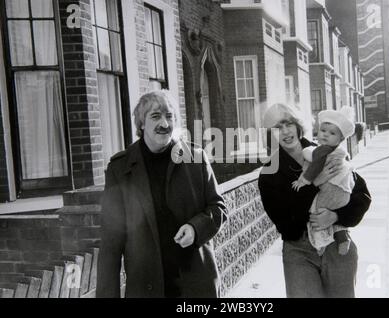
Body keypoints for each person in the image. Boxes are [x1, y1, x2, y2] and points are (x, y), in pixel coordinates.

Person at [97, 90, 227, 298]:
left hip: (195, 286)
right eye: (155, 116)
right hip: (146, 288)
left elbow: (218, 208)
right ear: (141, 123)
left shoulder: (195, 158)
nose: (164, 124)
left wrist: (195, 228)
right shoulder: (120, 169)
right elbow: (111, 244)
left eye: (169, 116)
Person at [258, 103, 371, 298]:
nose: (285, 131)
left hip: (336, 246)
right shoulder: (269, 174)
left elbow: (361, 195)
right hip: (299, 251)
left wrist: (336, 216)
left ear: (297, 125)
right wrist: (315, 183)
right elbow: (287, 225)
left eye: (288, 124)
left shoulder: (324, 150)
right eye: (277, 128)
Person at [291, 107, 356, 256]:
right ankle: (342, 235)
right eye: (323, 131)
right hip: (344, 191)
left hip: (332, 189)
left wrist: (304, 181)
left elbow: (315, 166)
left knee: (316, 212)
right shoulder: (338, 151)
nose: (325, 135)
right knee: (328, 212)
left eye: (332, 133)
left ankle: (320, 243)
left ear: (340, 139)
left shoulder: (322, 150)